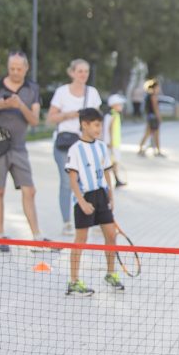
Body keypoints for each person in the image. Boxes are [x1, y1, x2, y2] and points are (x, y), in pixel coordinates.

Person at [0, 51, 48, 252]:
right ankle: (1, 235)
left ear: (26, 68)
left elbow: (35, 121)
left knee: (29, 190)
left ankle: (36, 236)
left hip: (19, 147)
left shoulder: (32, 89)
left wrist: (20, 106)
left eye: (19, 68)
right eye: (11, 69)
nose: (15, 72)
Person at [65, 108, 123, 296]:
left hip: (101, 196)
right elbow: (72, 179)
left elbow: (106, 171)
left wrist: (110, 196)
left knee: (111, 235)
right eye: (96, 125)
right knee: (80, 240)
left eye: (100, 125)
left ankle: (110, 274)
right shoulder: (75, 150)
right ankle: (73, 281)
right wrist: (81, 202)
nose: (99, 128)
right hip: (85, 197)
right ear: (84, 124)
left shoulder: (101, 146)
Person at [47, 59, 103, 235]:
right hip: (64, 144)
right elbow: (50, 118)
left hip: (85, 145)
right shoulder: (62, 92)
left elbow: (97, 121)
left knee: (89, 182)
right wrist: (70, 115)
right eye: (80, 71)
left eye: (86, 71)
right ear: (71, 73)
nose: (83, 75)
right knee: (66, 182)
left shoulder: (92, 93)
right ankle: (66, 222)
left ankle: (90, 220)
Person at [104, 94, 127, 187]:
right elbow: (110, 129)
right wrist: (111, 141)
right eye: (119, 104)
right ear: (114, 105)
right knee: (112, 162)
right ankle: (112, 180)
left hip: (113, 143)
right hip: (112, 143)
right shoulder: (113, 115)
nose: (121, 106)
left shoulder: (112, 114)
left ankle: (116, 179)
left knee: (113, 162)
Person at [137, 79, 164, 157]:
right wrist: (159, 117)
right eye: (158, 87)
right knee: (155, 135)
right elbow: (155, 108)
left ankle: (141, 149)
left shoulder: (148, 95)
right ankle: (157, 151)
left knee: (147, 134)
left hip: (149, 117)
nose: (159, 89)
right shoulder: (153, 96)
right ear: (155, 87)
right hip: (154, 118)